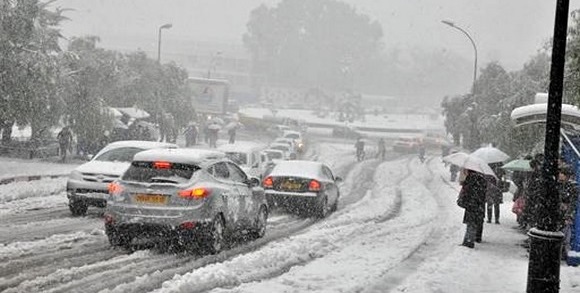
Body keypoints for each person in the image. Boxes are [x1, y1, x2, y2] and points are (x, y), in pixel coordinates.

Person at [457, 169, 487, 248]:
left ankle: (469, 241)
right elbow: (483, 192)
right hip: (478, 205)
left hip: (471, 204)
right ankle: (470, 240)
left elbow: (468, 191)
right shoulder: (482, 179)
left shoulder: (470, 178)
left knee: (471, 223)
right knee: (474, 223)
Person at [558, 165, 578, 260]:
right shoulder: (561, 185)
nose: (560, 175)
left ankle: (564, 253)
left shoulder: (572, 187)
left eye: (562, 173)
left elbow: (572, 203)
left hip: (565, 213)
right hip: (562, 213)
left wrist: (569, 215)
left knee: (565, 234)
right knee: (564, 232)